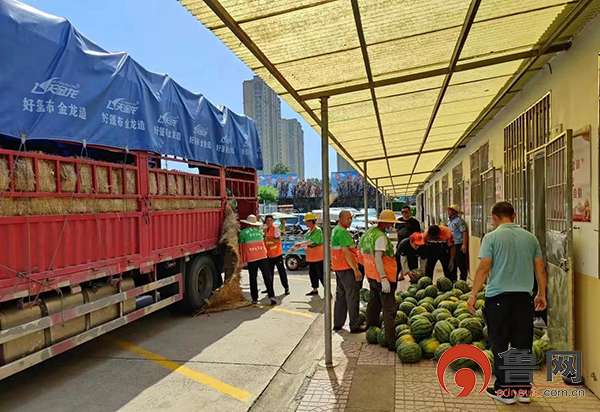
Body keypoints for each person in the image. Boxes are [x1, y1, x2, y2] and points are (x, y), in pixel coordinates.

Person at [467, 201, 547, 405]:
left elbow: (484, 268)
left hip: (498, 299)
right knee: (522, 343)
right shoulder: (531, 238)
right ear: (515, 215)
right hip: (523, 298)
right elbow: (540, 268)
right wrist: (541, 293)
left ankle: (505, 391)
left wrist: (473, 294)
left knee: (500, 343)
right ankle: (522, 390)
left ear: (494, 218)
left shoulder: (491, 237)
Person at [360, 209, 398, 350]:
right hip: (383, 276)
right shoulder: (381, 237)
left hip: (371, 275)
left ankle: (372, 328)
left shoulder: (369, 233)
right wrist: (384, 278)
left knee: (374, 303)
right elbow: (378, 257)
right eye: (391, 222)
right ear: (386, 222)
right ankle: (391, 342)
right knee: (389, 309)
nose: (392, 224)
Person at [331, 210, 366, 333]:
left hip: (339, 268)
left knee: (340, 296)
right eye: (347, 218)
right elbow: (347, 253)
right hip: (347, 268)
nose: (350, 220)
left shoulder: (335, 230)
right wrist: (356, 270)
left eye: (351, 218)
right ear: (340, 219)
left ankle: (338, 323)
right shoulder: (343, 232)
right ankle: (354, 325)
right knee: (352, 296)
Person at [239, 214, 276, 305]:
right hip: (263, 256)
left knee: (253, 278)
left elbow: (241, 244)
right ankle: (272, 296)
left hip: (252, 258)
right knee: (267, 277)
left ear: (247, 223)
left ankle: (255, 299)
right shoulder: (259, 231)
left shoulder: (243, 232)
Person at [295, 213, 325, 296]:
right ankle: (315, 289)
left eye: (307, 221)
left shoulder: (317, 230)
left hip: (319, 257)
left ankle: (327, 290)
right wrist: (300, 246)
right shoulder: (308, 232)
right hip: (311, 257)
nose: (306, 223)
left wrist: (301, 244)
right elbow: (306, 244)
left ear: (312, 221)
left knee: (321, 275)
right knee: (312, 274)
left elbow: (314, 241)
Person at [263, 215, 290, 295]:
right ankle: (269, 288)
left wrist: (268, 238)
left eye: (270, 220)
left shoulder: (276, 228)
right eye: (267, 220)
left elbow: (278, 239)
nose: (269, 222)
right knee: (269, 274)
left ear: (273, 221)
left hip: (277, 254)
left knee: (282, 272)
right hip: (268, 255)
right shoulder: (264, 230)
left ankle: (286, 287)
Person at [395, 205, 421, 276]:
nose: (404, 213)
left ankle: (414, 277)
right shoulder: (398, 221)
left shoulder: (415, 222)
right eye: (402, 212)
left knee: (413, 264)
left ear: (410, 212)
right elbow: (396, 230)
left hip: (411, 246)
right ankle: (401, 274)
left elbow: (418, 234)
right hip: (400, 245)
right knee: (399, 262)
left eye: (406, 212)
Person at [447, 205, 469, 282]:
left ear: (454, 212)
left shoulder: (459, 221)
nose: (448, 212)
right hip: (451, 245)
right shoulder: (450, 222)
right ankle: (454, 280)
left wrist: (464, 244)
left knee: (461, 264)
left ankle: (463, 280)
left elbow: (464, 232)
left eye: (450, 210)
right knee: (453, 263)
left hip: (458, 244)